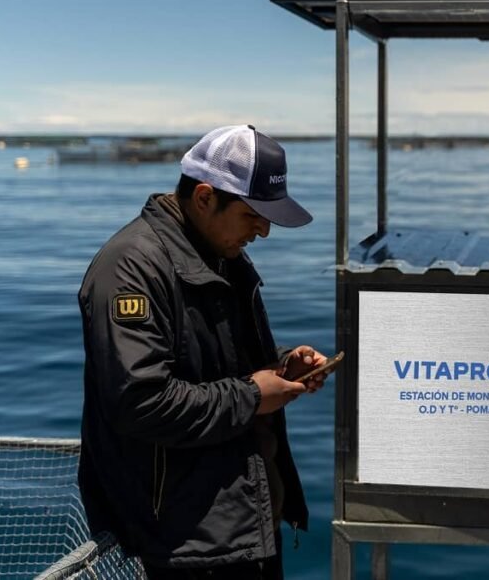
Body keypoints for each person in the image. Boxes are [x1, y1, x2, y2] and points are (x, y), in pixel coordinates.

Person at [78, 125, 331, 579]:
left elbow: (216, 361)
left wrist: (280, 365)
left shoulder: (219, 252)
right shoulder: (130, 269)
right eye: (254, 213)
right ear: (204, 198)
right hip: (188, 541)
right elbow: (140, 401)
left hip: (243, 524)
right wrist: (254, 396)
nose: (264, 231)